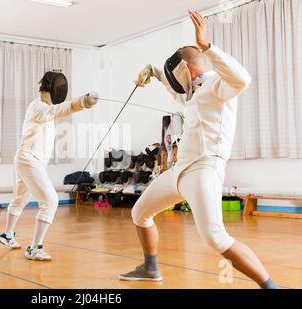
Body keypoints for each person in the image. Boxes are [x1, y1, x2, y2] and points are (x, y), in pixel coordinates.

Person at [118, 10, 278, 289]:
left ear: (188, 70)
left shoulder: (218, 83)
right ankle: (150, 267)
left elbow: (243, 79)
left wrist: (207, 47)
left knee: (215, 237)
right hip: (180, 171)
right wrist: (153, 72)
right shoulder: (193, 92)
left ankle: (270, 286)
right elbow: (176, 91)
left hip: (205, 168)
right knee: (140, 213)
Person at [0, 71, 98, 261]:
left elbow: (55, 111)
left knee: (20, 200)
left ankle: (7, 234)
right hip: (29, 159)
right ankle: (35, 248)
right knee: (51, 201)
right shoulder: (39, 107)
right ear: (51, 89)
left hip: (26, 159)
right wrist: (82, 102)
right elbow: (57, 110)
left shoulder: (42, 107)